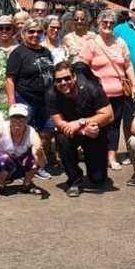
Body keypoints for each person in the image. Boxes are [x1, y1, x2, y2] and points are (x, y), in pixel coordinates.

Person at [80, 10, 135, 170]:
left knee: (114, 126)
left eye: (111, 23)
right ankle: (96, 156)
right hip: (98, 95)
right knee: (98, 125)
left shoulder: (120, 42)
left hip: (118, 94)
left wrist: (134, 85)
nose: (108, 25)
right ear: (98, 24)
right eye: (104, 22)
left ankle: (112, 158)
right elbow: (82, 67)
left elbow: (128, 65)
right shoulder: (91, 43)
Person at [46, 61, 114, 197]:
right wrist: (82, 130)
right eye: (59, 80)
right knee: (61, 139)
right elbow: (59, 122)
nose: (63, 82)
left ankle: (95, 169)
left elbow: (109, 115)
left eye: (67, 78)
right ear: (54, 82)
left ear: (74, 77)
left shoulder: (92, 88)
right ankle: (74, 180)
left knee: (98, 179)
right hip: (72, 132)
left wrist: (80, 123)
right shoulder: (51, 94)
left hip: (94, 131)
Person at [6, 18, 54, 180]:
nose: (35, 35)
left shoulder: (46, 52)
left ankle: (38, 164)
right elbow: (10, 79)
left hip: (45, 100)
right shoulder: (18, 53)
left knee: (46, 132)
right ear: (23, 33)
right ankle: (23, 167)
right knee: (25, 134)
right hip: (25, 99)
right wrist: (12, 102)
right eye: (31, 31)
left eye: (39, 32)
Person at [0, 103, 45, 197]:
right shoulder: (1, 129)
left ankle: (27, 184)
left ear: (27, 120)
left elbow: (41, 163)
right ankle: (0, 185)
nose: (17, 121)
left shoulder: (32, 133)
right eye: (14, 118)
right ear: (10, 119)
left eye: (21, 118)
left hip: (19, 166)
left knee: (34, 159)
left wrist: (40, 156)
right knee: (3, 158)